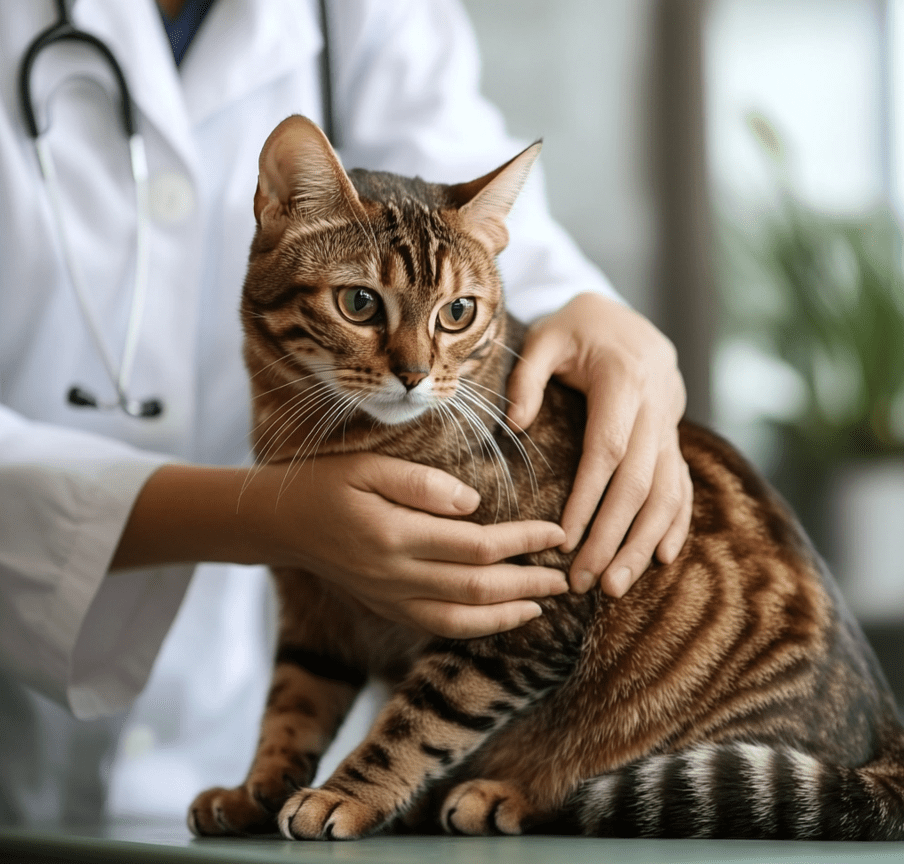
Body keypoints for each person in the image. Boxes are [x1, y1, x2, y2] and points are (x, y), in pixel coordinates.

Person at [0, 0, 691, 824]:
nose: (409, 365)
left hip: (218, 720)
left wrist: (603, 316)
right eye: (360, 305)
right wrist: (259, 517)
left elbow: (465, 210)